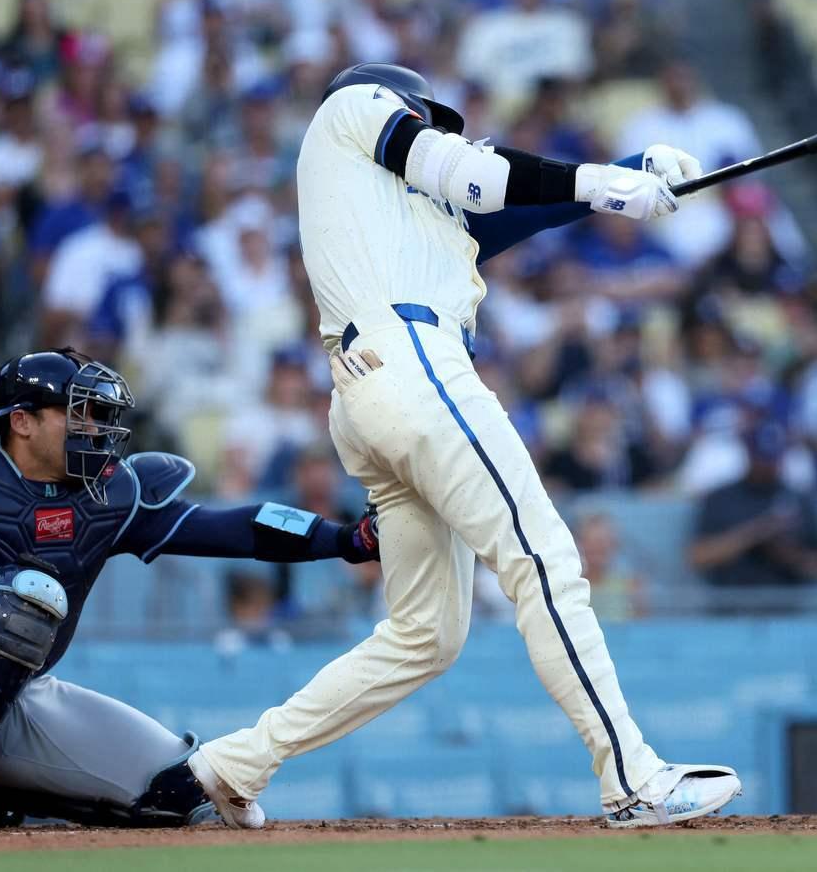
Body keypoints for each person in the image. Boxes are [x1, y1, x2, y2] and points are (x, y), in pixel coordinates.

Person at [191, 62, 742, 830]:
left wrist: (625, 177)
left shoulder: (404, 218)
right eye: (435, 120)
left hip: (375, 387)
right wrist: (605, 182)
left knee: (425, 634)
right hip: (411, 358)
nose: (448, 131)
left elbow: (514, 211)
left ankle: (235, 761)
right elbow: (475, 175)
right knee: (543, 557)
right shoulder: (353, 107)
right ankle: (633, 777)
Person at [0, 350, 380, 830]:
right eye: (77, 414)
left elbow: (232, 527)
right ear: (22, 422)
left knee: (183, 792)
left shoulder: (107, 493)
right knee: (25, 597)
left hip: (11, 700)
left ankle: (1, 791)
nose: (96, 429)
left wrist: (344, 538)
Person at [688, 423, 817, 587]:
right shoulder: (720, 498)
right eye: (761, 457)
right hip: (730, 604)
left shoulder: (799, 499)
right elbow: (696, 557)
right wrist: (755, 533)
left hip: (786, 605)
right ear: (748, 453)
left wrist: (789, 555)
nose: (767, 465)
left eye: (772, 458)